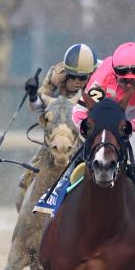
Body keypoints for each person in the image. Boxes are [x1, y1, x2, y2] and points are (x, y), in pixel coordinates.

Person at [37, 41, 135, 221]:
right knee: (92, 141)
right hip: (111, 104)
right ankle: (60, 190)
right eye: (123, 80)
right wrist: (88, 131)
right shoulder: (103, 75)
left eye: (134, 81)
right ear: (115, 74)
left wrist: (131, 127)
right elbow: (79, 111)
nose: (129, 85)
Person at [18, 43, 97, 192]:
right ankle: (30, 176)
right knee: (50, 142)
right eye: (72, 76)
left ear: (91, 74)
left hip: (87, 121)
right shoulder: (56, 73)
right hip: (62, 121)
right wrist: (33, 94)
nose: (77, 82)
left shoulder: (100, 77)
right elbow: (37, 107)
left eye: (82, 78)